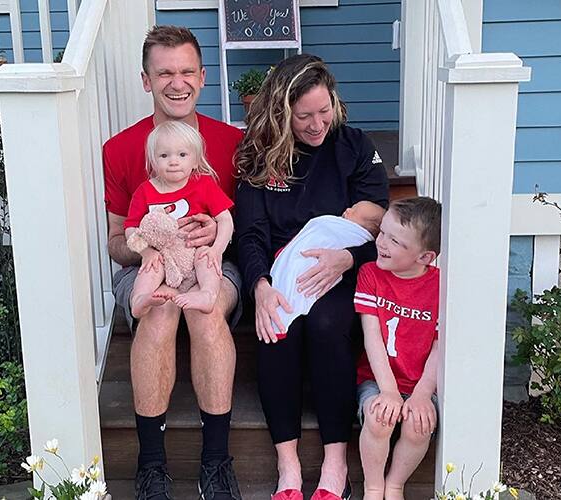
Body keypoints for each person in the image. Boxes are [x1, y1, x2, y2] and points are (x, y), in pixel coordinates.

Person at [234, 54, 389, 500]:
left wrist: (348, 257)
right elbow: (251, 232)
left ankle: (335, 462)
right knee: (276, 326)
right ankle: (288, 466)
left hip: (343, 269)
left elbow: (381, 229)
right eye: (304, 116)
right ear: (282, 112)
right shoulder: (260, 155)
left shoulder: (355, 147)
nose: (317, 124)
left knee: (326, 325)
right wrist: (259, 287)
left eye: (325, 112)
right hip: (280, 268)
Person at [102, 25, 244, 500]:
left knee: (202, 312)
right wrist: (146, 247)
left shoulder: (230, 143)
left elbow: (244, 222)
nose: (177, 82)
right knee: (162, 310)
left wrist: (217, 234)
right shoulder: (121, 149)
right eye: (165, 72)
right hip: (146, 270)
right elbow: (115, 242)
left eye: (186, 71)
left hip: (211, 263)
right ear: (146, 80)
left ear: (203, 77)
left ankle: (216, 463)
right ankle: (151, 466)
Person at [354, 197, 441, 500]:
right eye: (383, 233)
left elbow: (438, 345)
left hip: (420, 382)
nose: (382, 243)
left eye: (396, 241)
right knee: (379, 417)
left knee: (419, 425)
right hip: (377, 379)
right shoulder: (371, 274)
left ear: (424, 257)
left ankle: (395, 485)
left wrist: (421, 394)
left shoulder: (441, 287)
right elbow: (372, 336)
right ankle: (374, 487)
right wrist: (388, 391)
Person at [124, 121, 234, 316]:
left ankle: (207, 295)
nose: (173, 161)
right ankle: (140, 298)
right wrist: (146, 252)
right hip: (164, 255)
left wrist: (217, 250)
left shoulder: (203, 185)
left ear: (195, 160)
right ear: (153, 160)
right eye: (164, 155)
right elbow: (131, 229)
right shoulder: (145, 192)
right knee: (150, 268)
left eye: (182, 155)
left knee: (207, 261)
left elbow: (225, 219)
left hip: (194, 250)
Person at [269, 200, 386, 337]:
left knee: (323, 318)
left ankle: (288, 308)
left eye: (354, 211)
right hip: (306, 260)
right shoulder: (331, 222)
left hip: (335, 275)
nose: (347, 210)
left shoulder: (356, 235)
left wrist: (350, 255)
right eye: (351, 207)